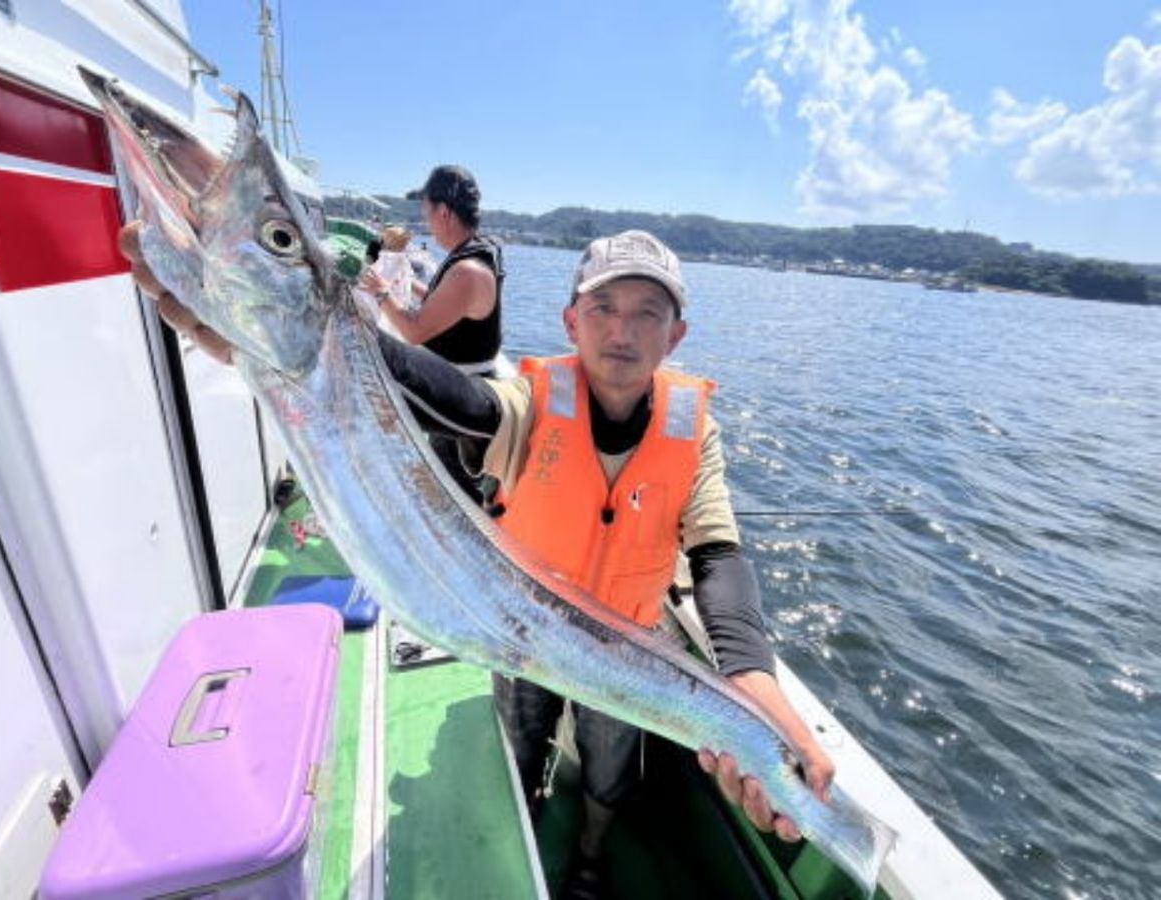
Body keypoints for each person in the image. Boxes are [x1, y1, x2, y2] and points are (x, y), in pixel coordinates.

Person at [119, 225, 834, 900]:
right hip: (518, 637)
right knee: (517, 744)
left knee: (609, 776)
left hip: (631, 653)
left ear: (676, 335)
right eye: (604, 307)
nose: (622, 330)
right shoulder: (532, 400)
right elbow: (463, 404)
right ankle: (520, 816)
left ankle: (588, 858)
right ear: (570, 321)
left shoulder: (695, 432)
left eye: (649, 312)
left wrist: (750, 680)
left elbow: (717, 556)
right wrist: (325, 339)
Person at [359, 164, 505, 500]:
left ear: (443, 212)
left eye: (426, 214)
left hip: (464, 393)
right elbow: (452, 305)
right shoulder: (473, 254)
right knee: (442, 475)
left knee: (455, 490)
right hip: (459, 383)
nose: (426, 224)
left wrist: (382, 293)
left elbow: (414, 333)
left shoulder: (467, 270)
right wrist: (409, 287)